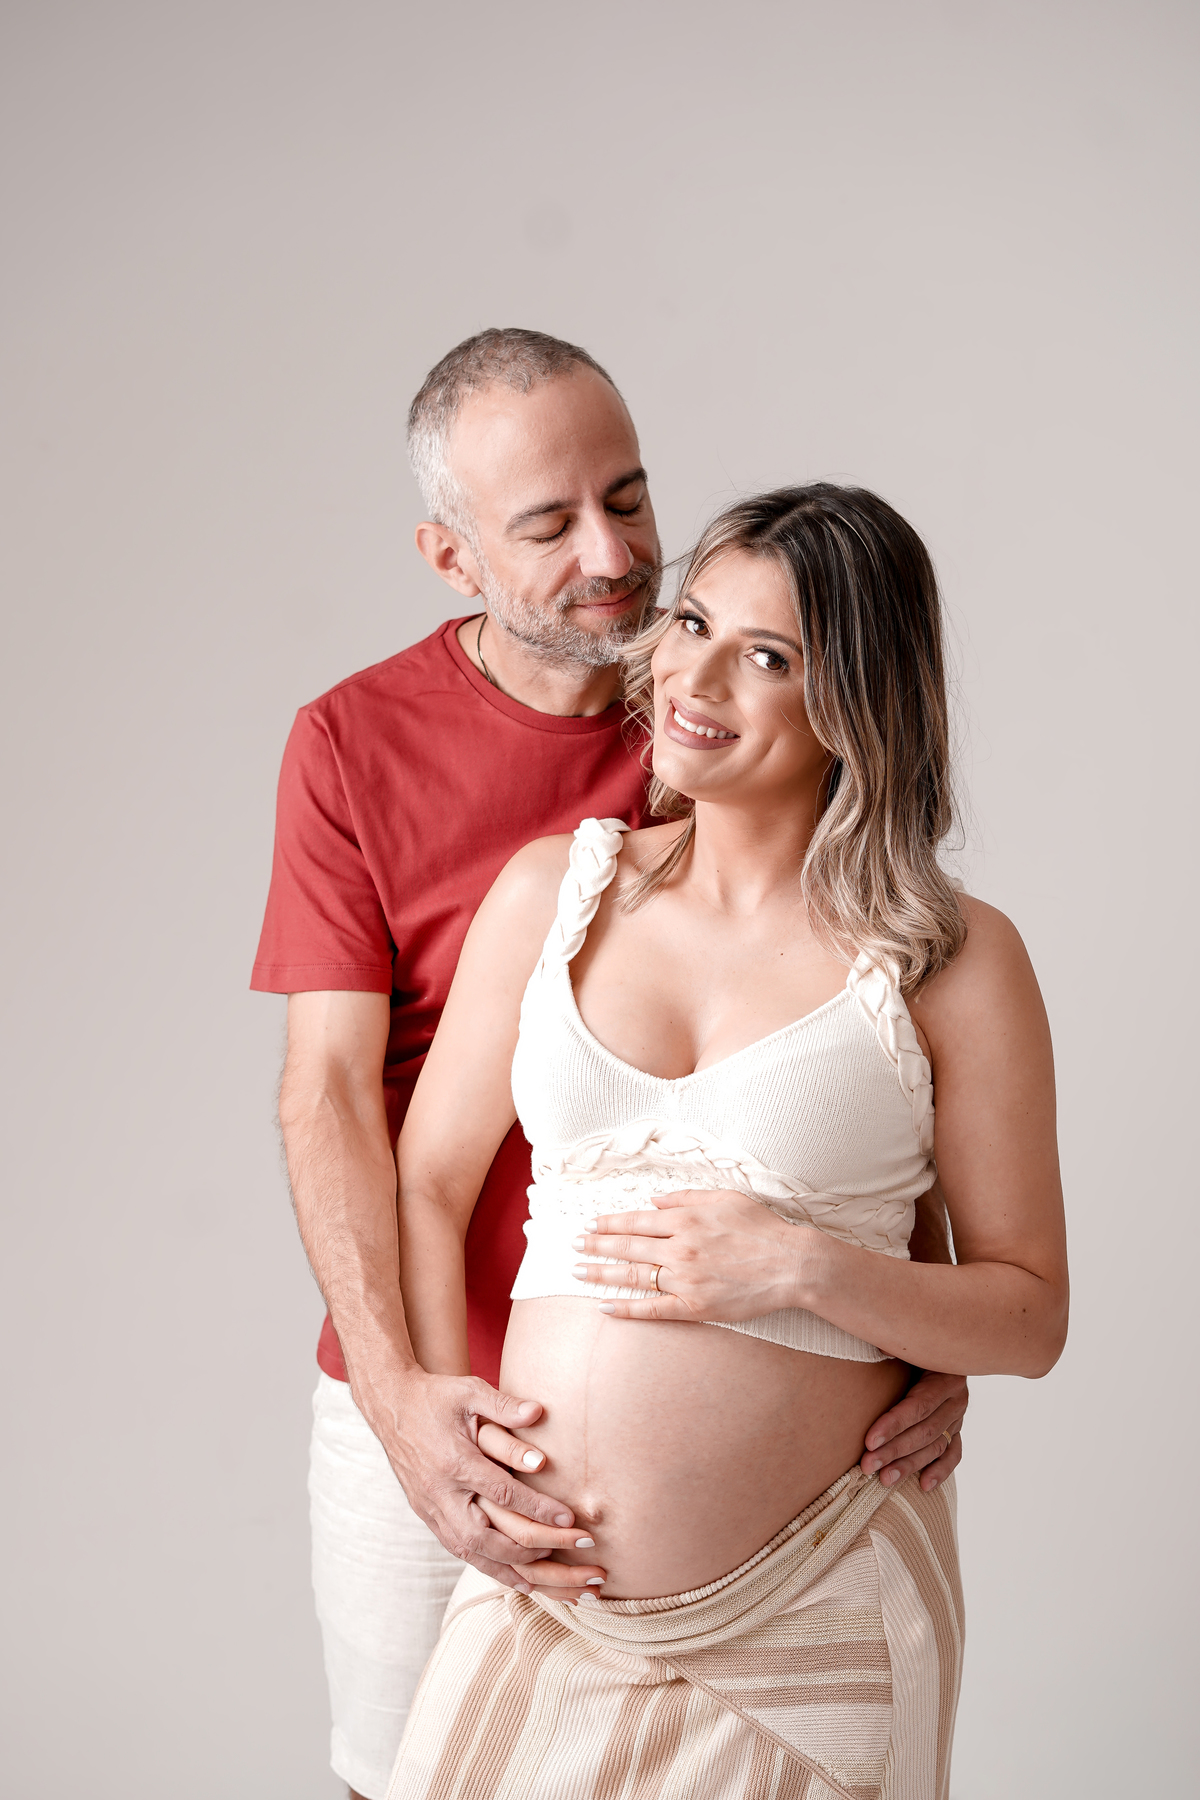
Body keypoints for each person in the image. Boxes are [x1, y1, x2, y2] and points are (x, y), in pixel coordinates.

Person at [252, 331, 969, 1799]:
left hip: (772, 1467)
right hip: (436, 1383)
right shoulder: (354, 744)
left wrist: (929, 1324)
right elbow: (327, 1095)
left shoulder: (726, 703)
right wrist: (403, 1399)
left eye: (630, 498)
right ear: (451, 557)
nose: (616, 556)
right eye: (549, 525)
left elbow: (867, 1046)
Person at [384, 483, 1069, 1799]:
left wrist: (809, 1270)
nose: (693, 679)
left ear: (855, 705)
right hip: (543, 1598)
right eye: (692, 623)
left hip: (814, 1609)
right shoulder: (553, 892)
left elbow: (1031, 1313)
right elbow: (428, 1179)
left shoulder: (953, 958)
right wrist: (434, 1410)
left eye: (768, 657)